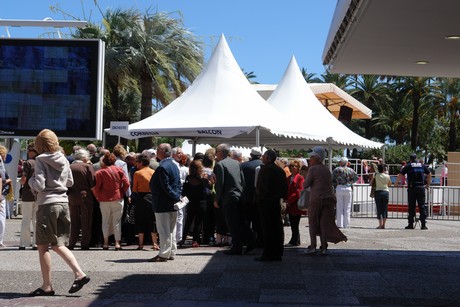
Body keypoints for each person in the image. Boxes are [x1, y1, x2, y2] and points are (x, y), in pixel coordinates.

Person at [28, 129, 89, 296]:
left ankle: (47, 286)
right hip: (63, 203)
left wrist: (30, 182)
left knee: (42, 246)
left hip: (47, 204)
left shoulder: (40, 160)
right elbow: (69, 182)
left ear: (40, 145)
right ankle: (79, 273)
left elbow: (39, 185)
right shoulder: (63, 158)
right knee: (58, 244)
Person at [304, 147, 347, 255]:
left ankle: (313, 246)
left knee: (313, 222)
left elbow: (305, 185)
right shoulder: (327, 169)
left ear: (317, 158)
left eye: (312, 156)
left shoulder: (313, 169)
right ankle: (324, 247)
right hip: (328, 199)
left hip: (316, 199)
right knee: (324, 223)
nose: (310, 158)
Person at [214, 143, 254, 255]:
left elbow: (220, 184)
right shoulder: (237, 163)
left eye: (216, 151)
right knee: (241, 222)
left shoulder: (220, 165)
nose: (215, 154)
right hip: (239, 196)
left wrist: (217, 199)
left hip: (229, 198)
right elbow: (242, 181)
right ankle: (251, 242)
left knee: (232, 223)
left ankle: (237, 247)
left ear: (221, 152)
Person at [149, 143, 182, 262]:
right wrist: (177, 196)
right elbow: (177, 184)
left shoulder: (163, 166)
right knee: (171, 230)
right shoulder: (174, 165)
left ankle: (164, 254)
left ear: (162, 151)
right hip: (172, 203)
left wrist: (174, 196)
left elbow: (165, 186)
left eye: (158, 149)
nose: (156, 151)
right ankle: (171, 251)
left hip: (163, 203)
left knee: (164, 230)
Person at [92, 151, 130, 250]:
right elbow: (127, 183)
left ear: (103, 161)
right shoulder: (119, 170)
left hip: (104, 199)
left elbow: (97, 187)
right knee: (117, 221)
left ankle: (105, 243)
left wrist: (97, 196)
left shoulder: (100, 172)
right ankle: (117, 243)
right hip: (117, 198)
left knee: (105, 220)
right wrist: (122, 192)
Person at [255, 149, 288, 261]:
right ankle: (277, 252)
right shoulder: (280, 171)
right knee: (277, 227)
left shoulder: (265, 170)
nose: (262, 158)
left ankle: (268, 253)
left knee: (267, 228)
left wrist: (260, 198)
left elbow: (261, 188)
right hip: (277, 202)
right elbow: (284, 189)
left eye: (263, 156)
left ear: (268, 158)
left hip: (266, 203)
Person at [67, 149, 95, 250]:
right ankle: (85, 243)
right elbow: (92, 183)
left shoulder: (69, 167)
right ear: (84, 158)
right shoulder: (87, 167)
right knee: (86, 220)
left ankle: (72, 243)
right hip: (85, 196)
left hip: (72, 196)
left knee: (74, 221)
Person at [395, 153, 431, 230]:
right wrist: (428, 184)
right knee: (422, 206)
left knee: (411, 206)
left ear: (410, 159)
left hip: (412, 188)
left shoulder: (408, 166)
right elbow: (429, 174)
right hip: (421, 188)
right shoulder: (422, 165)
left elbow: (401, 175)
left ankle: (410, 224)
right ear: (416, 158)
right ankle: (423, 224)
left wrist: (396, 183)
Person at [182, 159, 210, 247]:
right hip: (201, 202)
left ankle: (183, 239)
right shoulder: (202, 179)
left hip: (191, 202)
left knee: (188, 221)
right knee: (198, 222)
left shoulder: (188, 178)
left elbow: (185, 191)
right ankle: (195, 240)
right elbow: (208, 188)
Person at [132, 154, 157, 250]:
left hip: (141, 197)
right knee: (153, 220)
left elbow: (134, 188)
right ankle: (155, 243)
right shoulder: (153, 172)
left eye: (137, 162)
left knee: (140, 220)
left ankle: (141, 244)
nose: (136, 164)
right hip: (152, 197)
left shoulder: (137, 173)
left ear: (141, 162)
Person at [240, 147, 263, 246]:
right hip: (260, 198)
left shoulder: (243, 166)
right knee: (258, 220)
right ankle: (259, 239)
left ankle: (247, 239)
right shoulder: (264, 165)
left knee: (246, 220)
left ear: (251, 155)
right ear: (261, 156)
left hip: (246, 197)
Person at [19, 143, 38, 250]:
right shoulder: (41, 162)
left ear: (33, 152)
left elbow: (24, 178)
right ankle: (35, 243)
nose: (28, 152)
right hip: (39, 193)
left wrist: (22, 183)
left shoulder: (28, 163)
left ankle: (24, 243)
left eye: (29, 150)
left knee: (26, 219)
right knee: (36, 220)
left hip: (27, 193)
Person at [332, 157, 358, 228]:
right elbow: (356, 177)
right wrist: (351, 182)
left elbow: (332, 179)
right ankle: (347, 224)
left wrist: (334, 187)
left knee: (339, 206)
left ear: (341, 162)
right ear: (346, 163)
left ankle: (339, 224)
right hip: (348, 187)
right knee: (347, 207)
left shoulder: (337, 169)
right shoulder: (351, 170)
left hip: (339, 187)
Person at [285, 159, 304, 246]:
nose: (293, 168)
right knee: (292, 223)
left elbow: (299, 191)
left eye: (295, 166)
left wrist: (290, 200)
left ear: (298, 168)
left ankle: (294, 241)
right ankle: (296, 240)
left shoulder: (300, 178)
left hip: (296, 203)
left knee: (295, 223)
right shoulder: (288, 178)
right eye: (292, 166)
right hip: (290, 203)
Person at [0, 145, 12, 247]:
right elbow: (1, 179)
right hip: (1, 195)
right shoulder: (1, 164)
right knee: (1, 216)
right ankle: (0, 240)